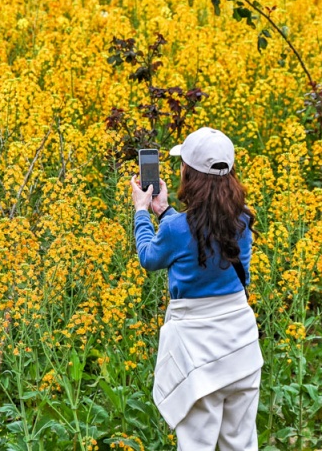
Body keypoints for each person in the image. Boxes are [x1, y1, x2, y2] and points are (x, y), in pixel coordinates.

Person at [129, 127, 262, 451]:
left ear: (189, 173)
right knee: (241, 444)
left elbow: (149, 257)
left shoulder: (177, 229)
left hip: (197, 350)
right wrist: (165, 212)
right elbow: (210, 243)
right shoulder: (242, 221)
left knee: (197, 445)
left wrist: (142, 212)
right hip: (241, 346)